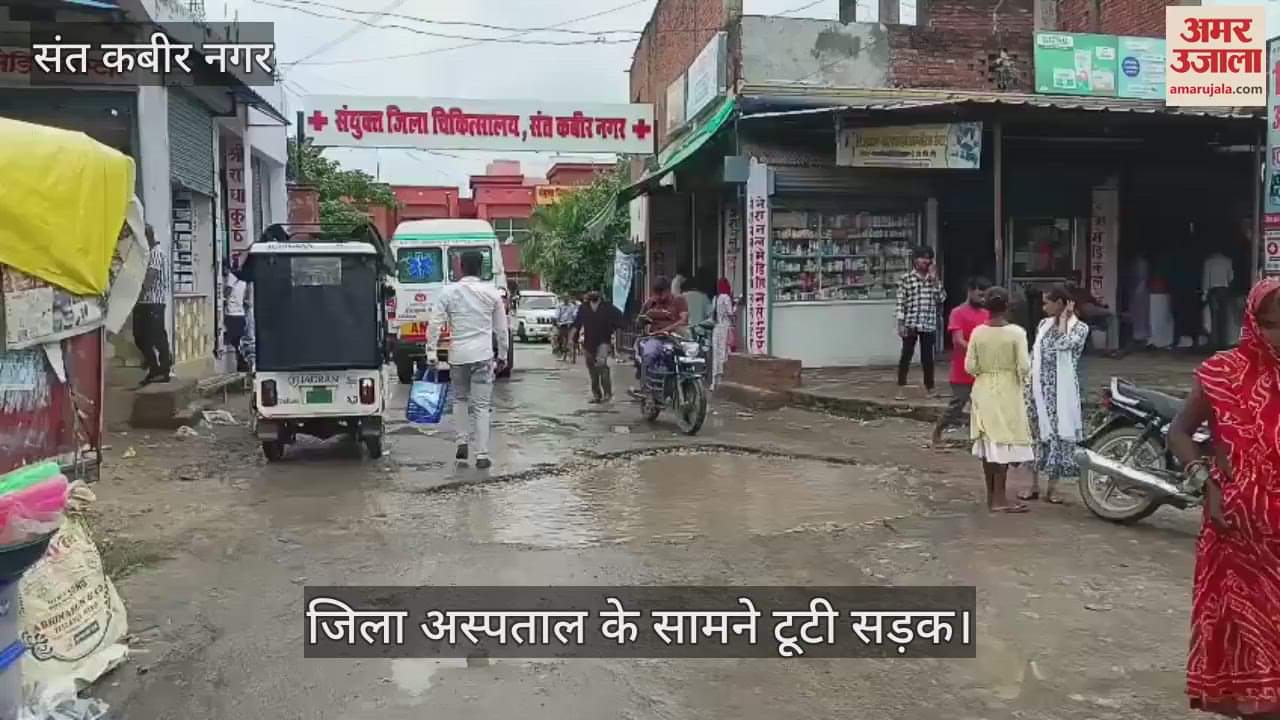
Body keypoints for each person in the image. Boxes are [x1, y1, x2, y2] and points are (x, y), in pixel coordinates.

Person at [1170, 278, 1280, 718]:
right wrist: (1205, 482)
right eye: (1270, 324)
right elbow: (1179, 431)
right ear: (1252, 322)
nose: (1279, 336)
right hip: (1237, 535)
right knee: (1250, 647)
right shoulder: (1222, 372)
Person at [425, 250, 510, 470]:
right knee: (481, 406)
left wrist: (431, 352)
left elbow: (435, 323)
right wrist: (503, 356)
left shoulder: (448, 292)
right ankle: (482, 455)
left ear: (460, 266)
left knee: (460, 399)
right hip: (483, 355)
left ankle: (462, 442)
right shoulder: (492, 294)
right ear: (481, 268)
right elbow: (502, 330)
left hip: (458, 355)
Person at [964, 286, 1034, 513]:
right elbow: (1024, 366)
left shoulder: (978, 332)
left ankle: (991, 496)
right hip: (1008, 388)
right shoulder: (1017, 333)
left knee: (988, 443)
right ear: (1007, 306)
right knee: (1003, 443)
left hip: (983, 388)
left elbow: (970, 367)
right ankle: (1000, 499)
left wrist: (985, 372)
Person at [1021, 284, 1090, 504]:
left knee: (1057, 436)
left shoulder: (1079, 328)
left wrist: (1063, 320)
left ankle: (1052, 489)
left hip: (1060, 391)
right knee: (1035, 434)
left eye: (1047, 303)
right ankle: (1033, 485)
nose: (1044, 308)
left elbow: (1063, 343)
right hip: (1037, 388)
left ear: (1060, 303)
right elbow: (1034, 354)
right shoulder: (1043, 325)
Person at [932, 277, 991, 447]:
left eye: (985, 296)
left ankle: (980, 439)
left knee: (982, 405)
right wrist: (976, 352)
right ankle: (938, 431)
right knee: (957, 405)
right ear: (970, 291)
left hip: (982, 369)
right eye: (980, 295)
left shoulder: (987, 314)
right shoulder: (957, 313)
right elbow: (958, 340)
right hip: (962, 369)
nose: (983, 299)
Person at [896, 246, 946, 400]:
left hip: (928, 323)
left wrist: (935, 280)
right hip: (911, 322)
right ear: (915, 260)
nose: (925, 261)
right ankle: (901, 387)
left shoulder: (933, 279)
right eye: (922, 258)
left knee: (927, 358)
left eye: (928, 258)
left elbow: (941, 298)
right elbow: (901, 302)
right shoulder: (906, 279)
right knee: (906, 354)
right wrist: (900, 323)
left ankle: (930, 387)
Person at [133, 224, 172, 386]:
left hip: (154, 302)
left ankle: (163, 370)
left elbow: (151, 276)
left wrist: (137, 294)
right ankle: (154, 366)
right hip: (144, 302)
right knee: (140, 337)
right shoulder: (148, 253)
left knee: (157, 337)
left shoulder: (156, 253)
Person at [572, 289, 624, 404]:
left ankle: (607, 394)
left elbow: (620, 320)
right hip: (588, 342)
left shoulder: (608, 307)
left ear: (600, 295)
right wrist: (572, 339)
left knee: (602, 365)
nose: (593, 292)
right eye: (591, 291)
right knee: (592, 369)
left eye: (595, 290)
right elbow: (577, 324)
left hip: (603, 341)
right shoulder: (583, 308)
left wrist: (615, 331)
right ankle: (596, 395)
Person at [637, 276, 689, 386]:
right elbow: (639, 321)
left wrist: (667, 329)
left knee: (688, 357)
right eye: (656, 293)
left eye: (661, 293)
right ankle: (645, 386)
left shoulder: (679, 300)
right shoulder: (650, 303)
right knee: (648, 353)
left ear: (668, 290)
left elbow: (684, 320)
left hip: (675, 339)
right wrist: (643, 321)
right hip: (656, 339)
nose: (658, 297)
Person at [1202, 250, 1235, 351]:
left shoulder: (1208, 262)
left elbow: (1206, 279)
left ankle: (1214, 343)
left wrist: (1204, 293)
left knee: (1214, 317)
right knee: (1224, 317)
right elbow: (1231, 277)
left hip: (1213, 292)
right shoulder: (1228, 261)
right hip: (1224, 291)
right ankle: (1223, 343)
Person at [711, 278, 736, 391]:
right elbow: (730, 313)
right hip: (725, 328)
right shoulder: (726, 298)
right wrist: (735, 306)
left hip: (716, 328)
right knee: (723, 353)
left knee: (715, 355)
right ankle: (722, 380)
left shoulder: (715, 298)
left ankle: (713, 382)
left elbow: (713, 314)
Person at [224, 265, 249, 372]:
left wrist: (223, 299)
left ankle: (237, 364)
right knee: (239, 342)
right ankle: (242, 364)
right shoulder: (244, 282)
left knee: (231, 341)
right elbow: (246, 299)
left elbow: (227, 293)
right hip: (241, 315)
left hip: (231, 314)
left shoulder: (231, 277)